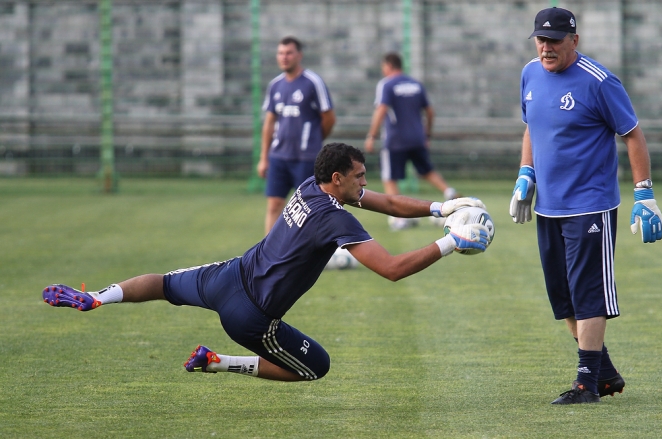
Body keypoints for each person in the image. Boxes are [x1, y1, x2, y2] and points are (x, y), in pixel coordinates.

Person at [43, 142, 490, 382]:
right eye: (359, 176)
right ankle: (219, 362)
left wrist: (438, 209)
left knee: (162, 283)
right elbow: (391, 269)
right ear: (337, 179)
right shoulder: (334, 219)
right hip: (251, 316)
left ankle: (96, 299)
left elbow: (387, 202)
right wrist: (453, 242)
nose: (365, 183)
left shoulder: (309, 186)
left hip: (225, 276)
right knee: (316, 367)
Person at [510, 7, 662, 405]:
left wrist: (644, 194)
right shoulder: (530, 73)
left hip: (589, 205)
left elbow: (632, 135)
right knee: (562, 297)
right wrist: (525, 174)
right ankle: (605, 372)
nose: (546, 48)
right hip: (549, 207)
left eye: (555, 41)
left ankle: (586, 385)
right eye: (541, 40)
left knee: (588, 295)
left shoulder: (599, 82)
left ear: (574, 41)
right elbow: (532, 126)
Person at [364, 52, 456, 230]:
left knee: (390, 178)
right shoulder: (416, 84)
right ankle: (449, 192)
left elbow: (381, 110)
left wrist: (371, 136)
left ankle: (399, 218)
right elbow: (430, 112)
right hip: (417, 137)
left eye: (383, 67)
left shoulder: (386, 84)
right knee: (427, 171)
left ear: (389, 66)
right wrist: (427, 134)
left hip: (395, 140)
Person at [257, 36, 336, 235]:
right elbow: (269, 124)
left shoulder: (312, 82)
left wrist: (314, 140)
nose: (284, 57)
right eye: (281, 53)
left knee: (308, 208)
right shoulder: (275, 85)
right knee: (274, 205)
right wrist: (264, 158)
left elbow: (329, 117)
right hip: (279, 157)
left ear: (299, 55)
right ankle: (268, 256)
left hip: (306, 158)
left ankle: (311, 252)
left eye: (289, 53)